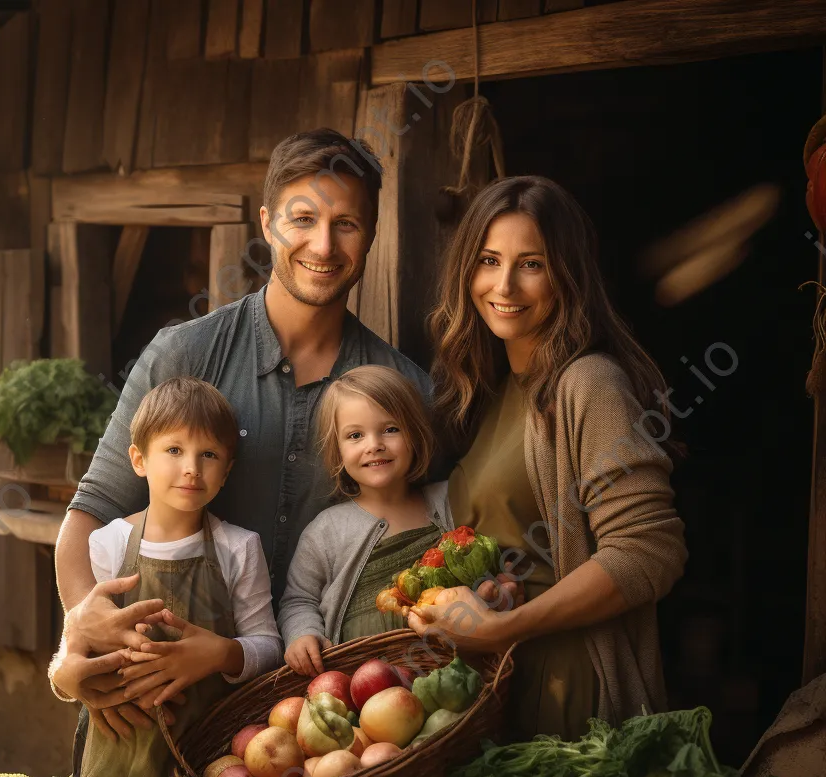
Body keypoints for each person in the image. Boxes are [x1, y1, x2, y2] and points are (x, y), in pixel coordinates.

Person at [54, 128, 436, 739]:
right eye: (303, 218)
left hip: (331, 725)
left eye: (347, 224)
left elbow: (438, 542)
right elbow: (89, 514)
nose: (323, 244)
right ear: (267, 223)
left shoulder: (404, 392)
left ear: (371, 235)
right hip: (161, 708)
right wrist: (80, 635)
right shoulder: (184, 354)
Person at [409, 175, 687, 740]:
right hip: (498, 683)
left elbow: (648, 550)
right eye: (488, 260)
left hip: (568, 691)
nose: (504, 284)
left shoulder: (588, 383)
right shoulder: (491, 388)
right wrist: (493, 593)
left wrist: (502, 627)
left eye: (531, 264)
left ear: (567, 276)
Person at [49, 377, 282, 777]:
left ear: (227, 470)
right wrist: (66, 679)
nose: (191, 468)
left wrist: (222, 653)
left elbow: (269, 646)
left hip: (206, 761)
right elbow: (73, 649)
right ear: (139, 459)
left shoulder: (239, 548)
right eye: (174, 450)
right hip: (116, 755)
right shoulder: (109, 544)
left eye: (208, 454)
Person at [278, 366, 453, 675]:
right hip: (362, 691)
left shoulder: (447, 501)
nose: (374, 444)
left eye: (390, 429)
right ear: (338, 451)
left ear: (415, 434)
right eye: (355, 435)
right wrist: (303, 634)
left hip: (450, 675)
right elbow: (299, 599)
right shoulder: (327, 529)